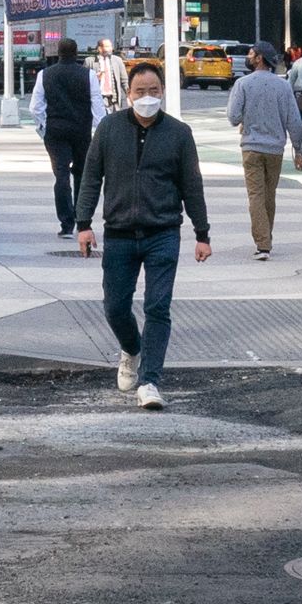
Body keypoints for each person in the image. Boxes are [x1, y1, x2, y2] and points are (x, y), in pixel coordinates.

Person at [74, 58, 214, 409]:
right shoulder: (108, 129)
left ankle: (150, 381)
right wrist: (84, 224)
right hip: (119, 232)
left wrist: (202, 232)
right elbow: (91, 178)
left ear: (163, 92)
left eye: (153, 91)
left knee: (158, 306)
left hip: (163, 231)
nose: (147, 97)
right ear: (128, 93)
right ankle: (131, 348)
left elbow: (192, 185)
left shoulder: (179, 134)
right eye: (140, 91)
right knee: (115, 306)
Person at [223, 45, 302, 259]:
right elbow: (293, 120)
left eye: (251, 54)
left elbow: (232, 117)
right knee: (270, 194)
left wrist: (245, 118)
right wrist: (299, 150)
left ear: (260, 59)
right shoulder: (283, 86)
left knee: (256, 195)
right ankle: (266, 237)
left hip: (251, 147)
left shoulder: (243, 84)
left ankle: (263, 244)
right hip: (275, 149)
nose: (248, 57)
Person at [38, 38, 98, 242]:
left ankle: (66, 224)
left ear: (58, 52)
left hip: (55, 131)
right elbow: (97, 105)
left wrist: (43, 127)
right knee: (82, 175)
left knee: (61, 175)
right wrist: (100, 130)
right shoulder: (88, 75)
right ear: (76, 52)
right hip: (81, 132)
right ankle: (83, 220)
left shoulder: (45, 75)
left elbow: (35, 107)